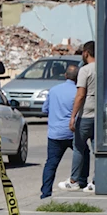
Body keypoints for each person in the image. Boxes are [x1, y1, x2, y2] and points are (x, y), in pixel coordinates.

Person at [59, 41, 96, 193]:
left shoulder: (85, 70)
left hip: (86, 114)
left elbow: (80, 95)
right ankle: (96, 181)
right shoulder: (105, 67)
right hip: (100, 114)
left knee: (79, 148)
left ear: (86, 53)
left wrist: (73, 116)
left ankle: (75, 180)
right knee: (97, 149)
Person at [41, 65, 79, 199]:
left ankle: (45, 192)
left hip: (55, 133)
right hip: (72, 132)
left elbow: (44, 110)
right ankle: (80, 181)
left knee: (51, 163)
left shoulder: (54, 90)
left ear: (65, 75)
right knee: (82, 155)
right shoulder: (78, 92)